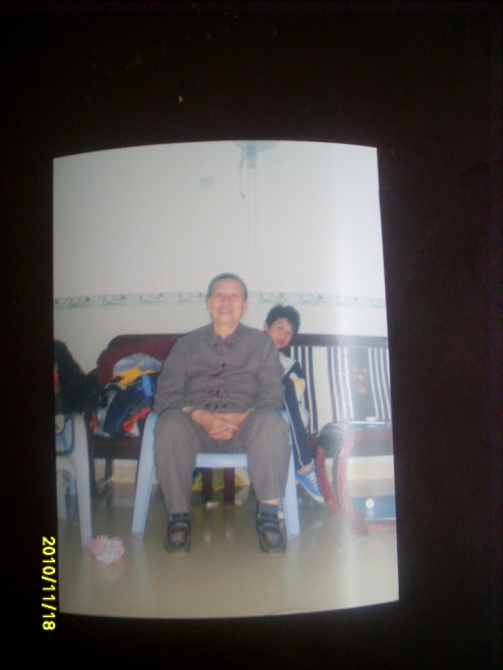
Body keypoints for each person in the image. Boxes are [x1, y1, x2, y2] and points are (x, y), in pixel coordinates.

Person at [153, 273, 291, 554]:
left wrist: (242, 418)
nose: (226, 301)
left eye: (234, 296)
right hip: (194, 428)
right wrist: (198, 415)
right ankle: (178, 520)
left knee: (272, 422)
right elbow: (165, 396)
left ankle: (269, 519)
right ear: (208, 303)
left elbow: (273, 395)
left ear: (245, 305)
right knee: (169, 422)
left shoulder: (262, 345)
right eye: (219, 295)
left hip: (246, 428)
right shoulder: (186, 345)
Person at [264, 305, 324, 505]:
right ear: (266, 327)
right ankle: (299, 472)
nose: (283, 335)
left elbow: (295, 393)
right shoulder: (250, 357)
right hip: (258, 415)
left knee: (286, 385)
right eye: (280, 327)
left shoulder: (290, 364)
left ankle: (303, 466)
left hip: (289, 418)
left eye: (289, 333)